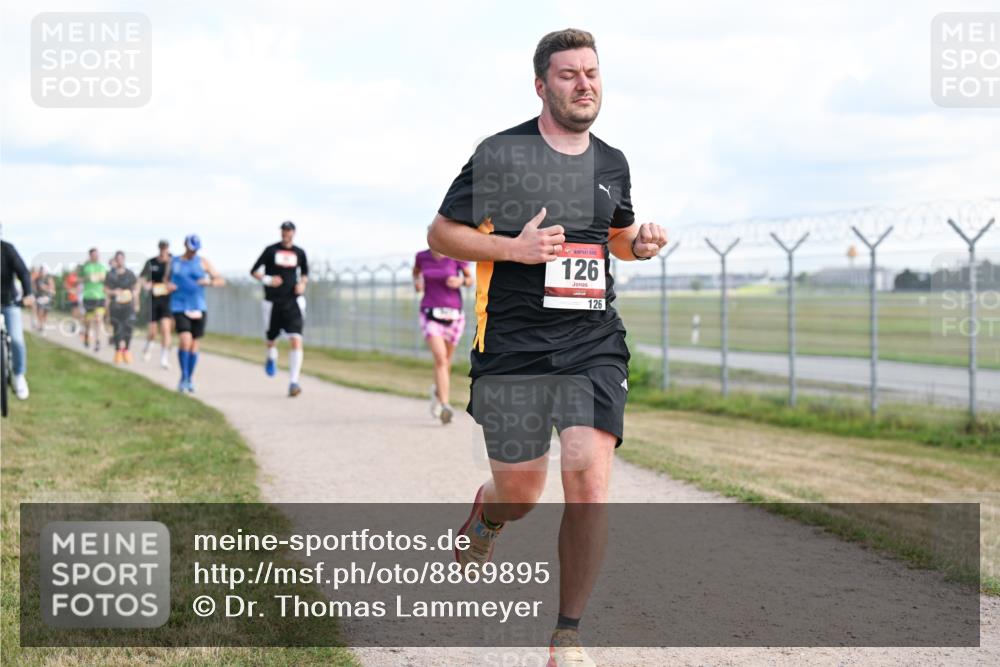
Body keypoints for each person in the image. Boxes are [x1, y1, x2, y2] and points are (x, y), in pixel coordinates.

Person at [427, 29, 667, 667]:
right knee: (523, 492)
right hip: (512, 346)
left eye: (592, 73)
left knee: (588, 477)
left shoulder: (612, 161)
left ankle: (567, 636)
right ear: (542, 85)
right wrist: (513, 248)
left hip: (593, 342)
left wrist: (634, 244)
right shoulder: (501, 154)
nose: (584, 83)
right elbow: (442, 233)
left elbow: (611, 236)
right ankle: (489, 514)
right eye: (569, 75)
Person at [413, 248, 472, 423]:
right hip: (430, 313)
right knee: (440, 358)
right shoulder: (421, 257)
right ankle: (445, 405)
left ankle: (437, 394)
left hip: (454, 315)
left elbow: (470, 280)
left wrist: (460, 281)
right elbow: (416, 272)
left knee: (446, 361)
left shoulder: (457, 255)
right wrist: (417, 282)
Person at [250, 221, 309, 397]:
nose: (286, 233)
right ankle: (271, 356)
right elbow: (253, 271)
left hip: (293, 302)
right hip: (273, 302)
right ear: (281, 232)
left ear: (294, 233)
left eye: (289, 231)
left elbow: (305, 273)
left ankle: (293, 382)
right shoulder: (271, 250)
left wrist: (302, 284)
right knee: (271, 339)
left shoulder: (299, 253)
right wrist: (268, 279)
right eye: (284, 230)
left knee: (296, 339)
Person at [169, 235, 225, 393]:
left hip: (198, 306)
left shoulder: (203, 262)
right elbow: (166, 281)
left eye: (195, 250)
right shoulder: (175, 262)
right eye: (190, 249)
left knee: (194, 344)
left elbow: (221, 280)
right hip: (179, 305)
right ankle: (184, 376)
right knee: (185, 339)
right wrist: (169, 286)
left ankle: (189, 379)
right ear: (185, 246)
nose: (193, 252)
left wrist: (210, 282)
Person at [1, 237, 35, 400]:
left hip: (9, 302)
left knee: (16, 340)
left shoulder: (7, 249)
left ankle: (18, 375)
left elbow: (23, 272)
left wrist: (28, 294)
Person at [140, 239, 173, 369]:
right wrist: (146, 285)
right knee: (153, 331)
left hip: (166, 300)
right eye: (161, 247)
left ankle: (164, 359)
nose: (163, 249)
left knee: (166, 329)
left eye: (165, 247)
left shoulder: (173, 263)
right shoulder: (151, 262)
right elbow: (142, 278)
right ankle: (148, 347)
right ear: (159, 248)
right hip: (153, 299)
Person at [104, 251, 140, 364]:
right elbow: (105, 289)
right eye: (117, 259)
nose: (119, 261)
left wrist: (136, 302)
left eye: (121, 258)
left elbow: (135, 289)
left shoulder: (129, 274)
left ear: (123, 259)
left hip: (128, 304)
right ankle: (118, 351)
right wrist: (113, 292)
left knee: (128, 326)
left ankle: (126, 350)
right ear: (115, 260)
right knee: (117, 327)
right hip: (115, 305)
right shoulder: (110, 274)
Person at [79, 248, 107, 352]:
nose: (96, 256)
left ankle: (97, 341)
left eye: (97, 254)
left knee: (98, 319)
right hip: (88, 297)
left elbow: (104, 278)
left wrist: (98, 277)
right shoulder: (85, 267)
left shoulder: (101, 266)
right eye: (94, 255)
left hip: (100, 296)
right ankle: (86, 334)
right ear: (90, 256)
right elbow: (79, 279)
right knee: (89, 320)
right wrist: (88, 278)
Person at [32, 266, 55, 335]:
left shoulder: (49, 279)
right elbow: (34, 288)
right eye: (41, 271)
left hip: (47, 298)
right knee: (40, 311)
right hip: (39, 298)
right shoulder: (37, 279)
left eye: (43, 271)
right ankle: (40, 326)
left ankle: (42, 326)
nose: (41, 272)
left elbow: (52, 290)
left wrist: (45, 288)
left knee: (45, 313)